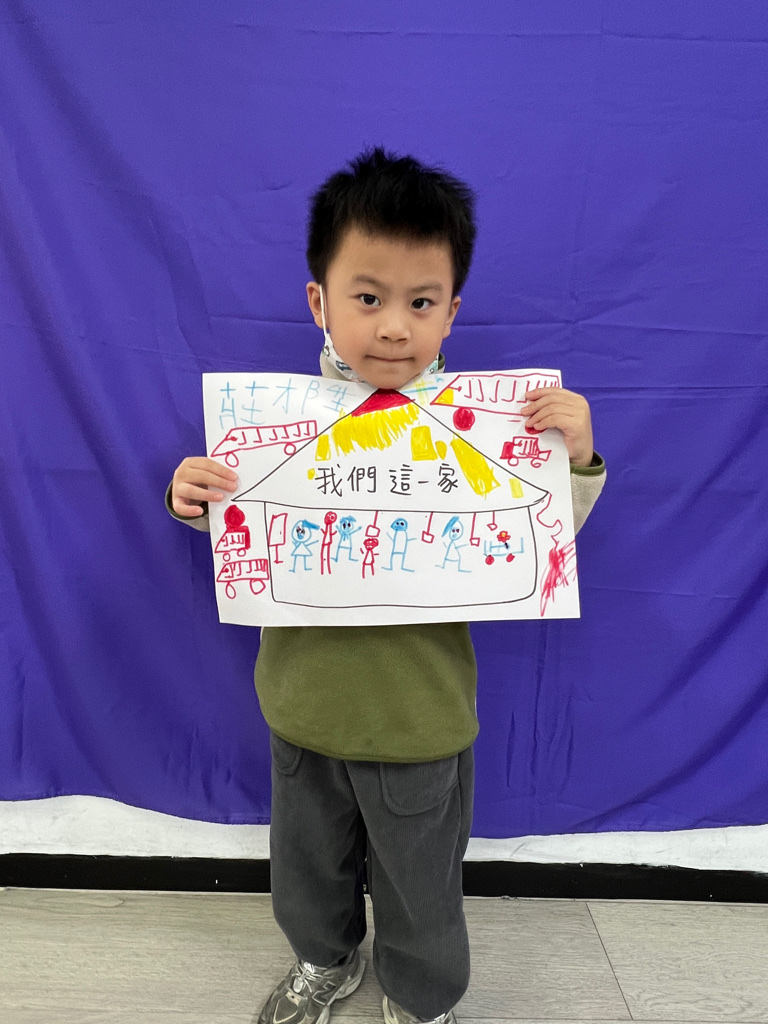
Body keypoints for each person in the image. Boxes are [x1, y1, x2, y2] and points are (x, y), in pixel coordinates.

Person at [167, 149, 606, 1024]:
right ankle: (324, 961)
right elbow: (249, 536)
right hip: (302, 711)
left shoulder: (489, 430)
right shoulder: (275, 426)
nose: (395, 328)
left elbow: (541, 539)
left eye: (421, 303)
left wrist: (576, 456)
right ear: (319, 302)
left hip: (420, 723)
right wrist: (193, 499)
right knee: (306, 870)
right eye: (367, 298)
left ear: (451, 312)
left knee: (421, 887)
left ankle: (420, 997)